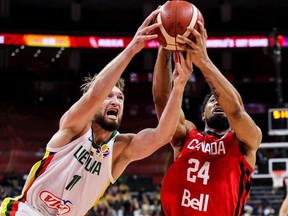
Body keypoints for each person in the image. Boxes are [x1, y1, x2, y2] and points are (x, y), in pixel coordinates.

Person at [0, 8, 193, 216]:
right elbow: (94, 95)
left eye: (120, 98)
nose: (116, 101)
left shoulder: (121, 149)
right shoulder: (74, 127)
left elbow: (162, 136)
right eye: (109, 96)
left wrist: (180, 86)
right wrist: (132, 49)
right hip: (27, 211)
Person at [152, 21, 262, 215]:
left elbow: (236, 111)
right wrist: (165, 46)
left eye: (220, 100)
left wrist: (203, 61)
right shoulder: (186, 137)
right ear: (203, 113)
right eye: (212, 101)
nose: (218, 103)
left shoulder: (244, 143)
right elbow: (162, 101)